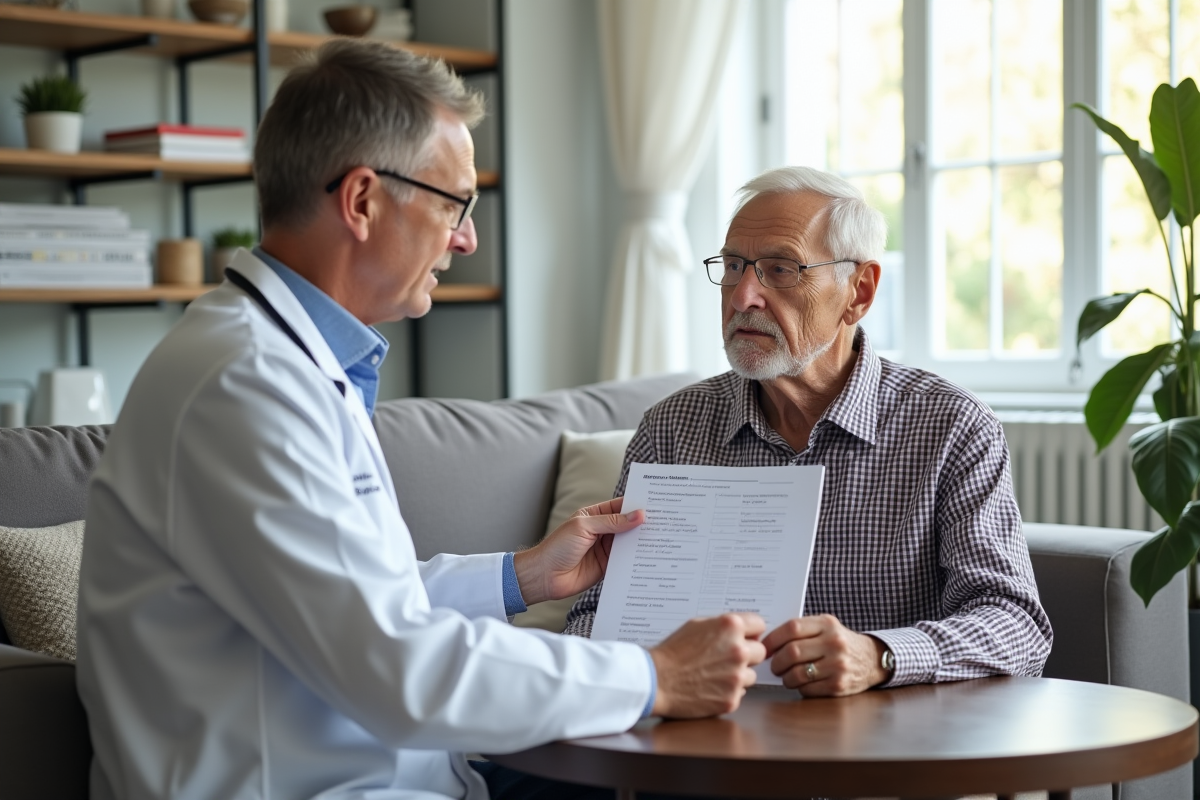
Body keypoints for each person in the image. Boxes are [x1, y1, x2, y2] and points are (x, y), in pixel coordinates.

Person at [75, 40, 768, 800]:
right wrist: (656, 674)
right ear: (362, 200)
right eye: (454, 205)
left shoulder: (281, 362)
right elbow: (394, 663)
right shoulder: (247, 387)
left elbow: (359, 601)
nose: (466, 238)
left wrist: (525, 576)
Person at [565, 166, 1053, 696]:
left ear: (859, 292)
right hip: (693, 732)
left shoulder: (950, 425)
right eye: (733, 267)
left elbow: (1016, 625)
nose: (742, 296)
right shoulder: (671, 428)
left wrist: (881, 655)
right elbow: (594, 616)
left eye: (780, 269)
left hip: (878, 734)